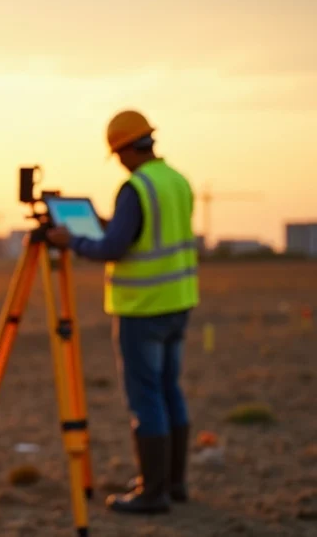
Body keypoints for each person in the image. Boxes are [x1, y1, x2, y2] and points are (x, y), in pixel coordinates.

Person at [46, 109, 199, 514]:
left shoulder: (136, 188)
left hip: (142, 308)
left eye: (116, 155)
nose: (118, 163)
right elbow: (147, 232)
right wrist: (107, 226)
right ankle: (173, 483)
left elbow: (114, 248)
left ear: (126, 149)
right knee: (170, 390)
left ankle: (153, 493)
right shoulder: (177, 181)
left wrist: (70, 242)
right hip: (178, 302)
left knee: (146, 396)